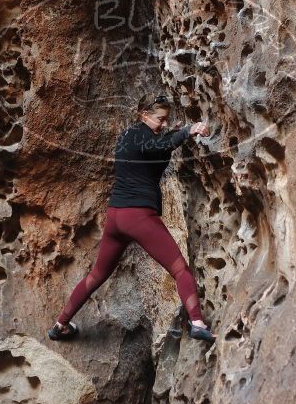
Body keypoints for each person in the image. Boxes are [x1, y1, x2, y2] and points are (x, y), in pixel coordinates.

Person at [48, 93, 216, 343]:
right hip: (138, 216)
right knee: (179, 268)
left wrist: (173, 134)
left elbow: (153, 151)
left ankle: (60, 325)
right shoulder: (141, 135)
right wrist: (188, 130)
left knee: (96, 275)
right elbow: (157, 147)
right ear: (144, 115)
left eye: (167, 120)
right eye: (160, 119)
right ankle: (198, 322)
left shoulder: (129, 135)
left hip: (116, 217)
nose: (164, 124)